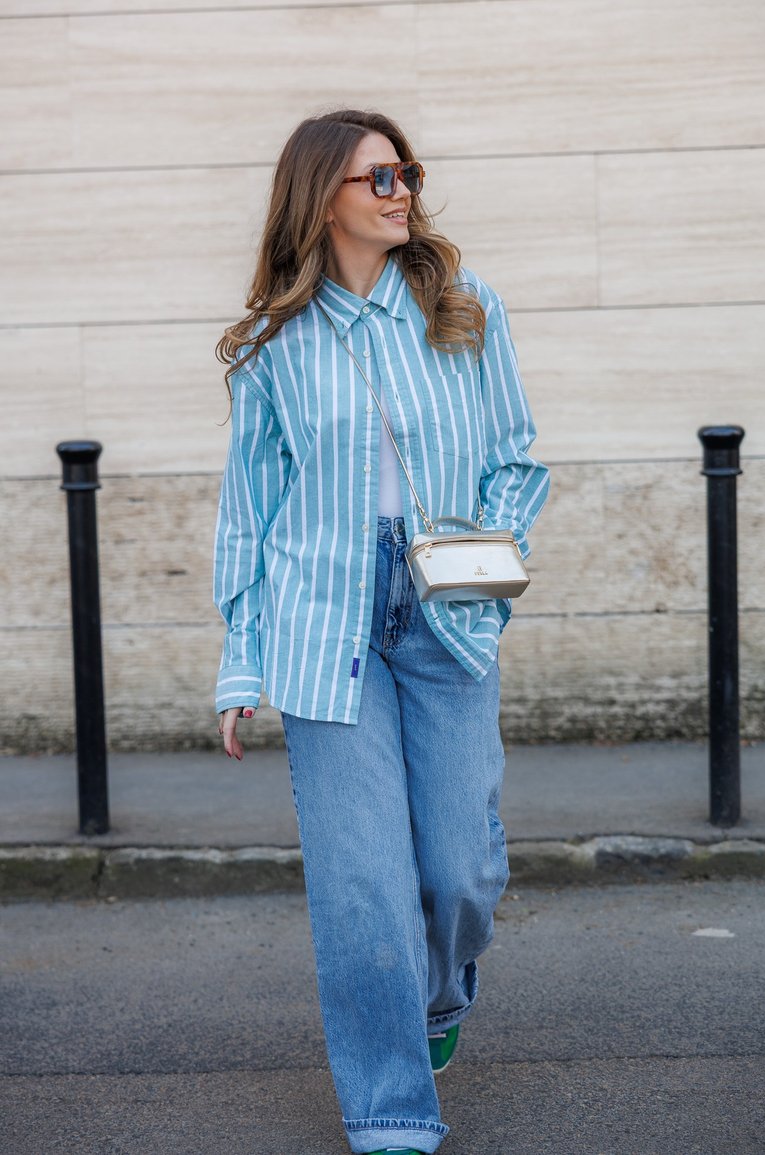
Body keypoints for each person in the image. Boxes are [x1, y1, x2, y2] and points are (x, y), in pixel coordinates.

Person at [213, 109, 550, 1155]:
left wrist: (483, 574)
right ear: (323, 197)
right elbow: (250, 512)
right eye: (376, 177)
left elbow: (517, 458)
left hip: (442, 610)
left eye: (404, 171)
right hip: (323, 621)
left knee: (457, 872)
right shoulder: (273, 346)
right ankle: (391, 1110)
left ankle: (439, 1000)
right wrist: (240, 661)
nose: (400, 189)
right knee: (360, 886)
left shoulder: (462, 307)